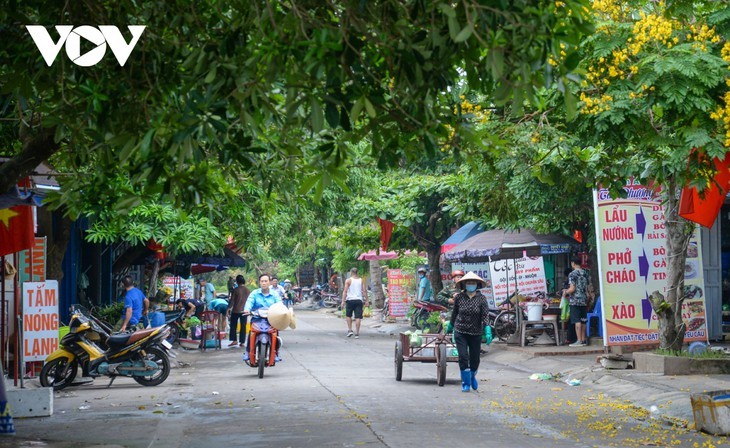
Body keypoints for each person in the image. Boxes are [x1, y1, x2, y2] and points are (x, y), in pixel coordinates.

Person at [446, 271, 490, 392]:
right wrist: (450, 325)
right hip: (460, 331)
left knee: (475, 358)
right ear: (464, 284)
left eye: (473, 282)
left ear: (477, 284)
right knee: (463, 357)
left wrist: (487, 328)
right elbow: (455, 312)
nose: (471, 284)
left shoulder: (481, 298)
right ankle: (465, 383)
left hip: (476, 332)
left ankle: (472, 376)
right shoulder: (459, 297)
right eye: (468, 282)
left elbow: (485, 314)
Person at [243, 274, 282, 361]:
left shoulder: (275, 294)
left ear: (270, 282)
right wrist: (247, 310)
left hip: (271, 319)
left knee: (276, 332)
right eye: (262, 281)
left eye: (266, 281)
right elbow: (249, 302)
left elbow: (279, 304)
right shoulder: (254, 293)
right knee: (251, 333)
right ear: (259, 283)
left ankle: (276, 352)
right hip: (257, 319)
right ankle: (248, 351)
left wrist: (281, 311)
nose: (264, 283)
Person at [563, 255, 591, 347]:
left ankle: (578, 340)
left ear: (573, 263)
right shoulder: (585, 273)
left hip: (575, 300)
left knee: (577, 320)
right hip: (584, 300)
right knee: (583, 320)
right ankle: (583, 340)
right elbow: (587, 289)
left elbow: (572, 289)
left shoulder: (572, 274)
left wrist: (565, 292)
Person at [341, 267, 368, 338]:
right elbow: (364, 291)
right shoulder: (361, 280)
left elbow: (345, 291)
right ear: (357, 272)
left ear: (351, 272)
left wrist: (343, 301)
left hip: (350, 300)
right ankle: (357, 333)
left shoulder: (348, 280)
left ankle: (350, 330)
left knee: (348, 315)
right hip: (359, 300)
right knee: (358, 317)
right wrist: (367, 300)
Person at [228, 275, 250, 347]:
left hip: (236, 310)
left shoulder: (236, 290)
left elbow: (232, 301)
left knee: (233, 325)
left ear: (237, 281)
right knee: (243, 326)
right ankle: (242, 342)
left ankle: (234, 340)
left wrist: (228, 308)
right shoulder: (248, 290)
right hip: (245, 311)